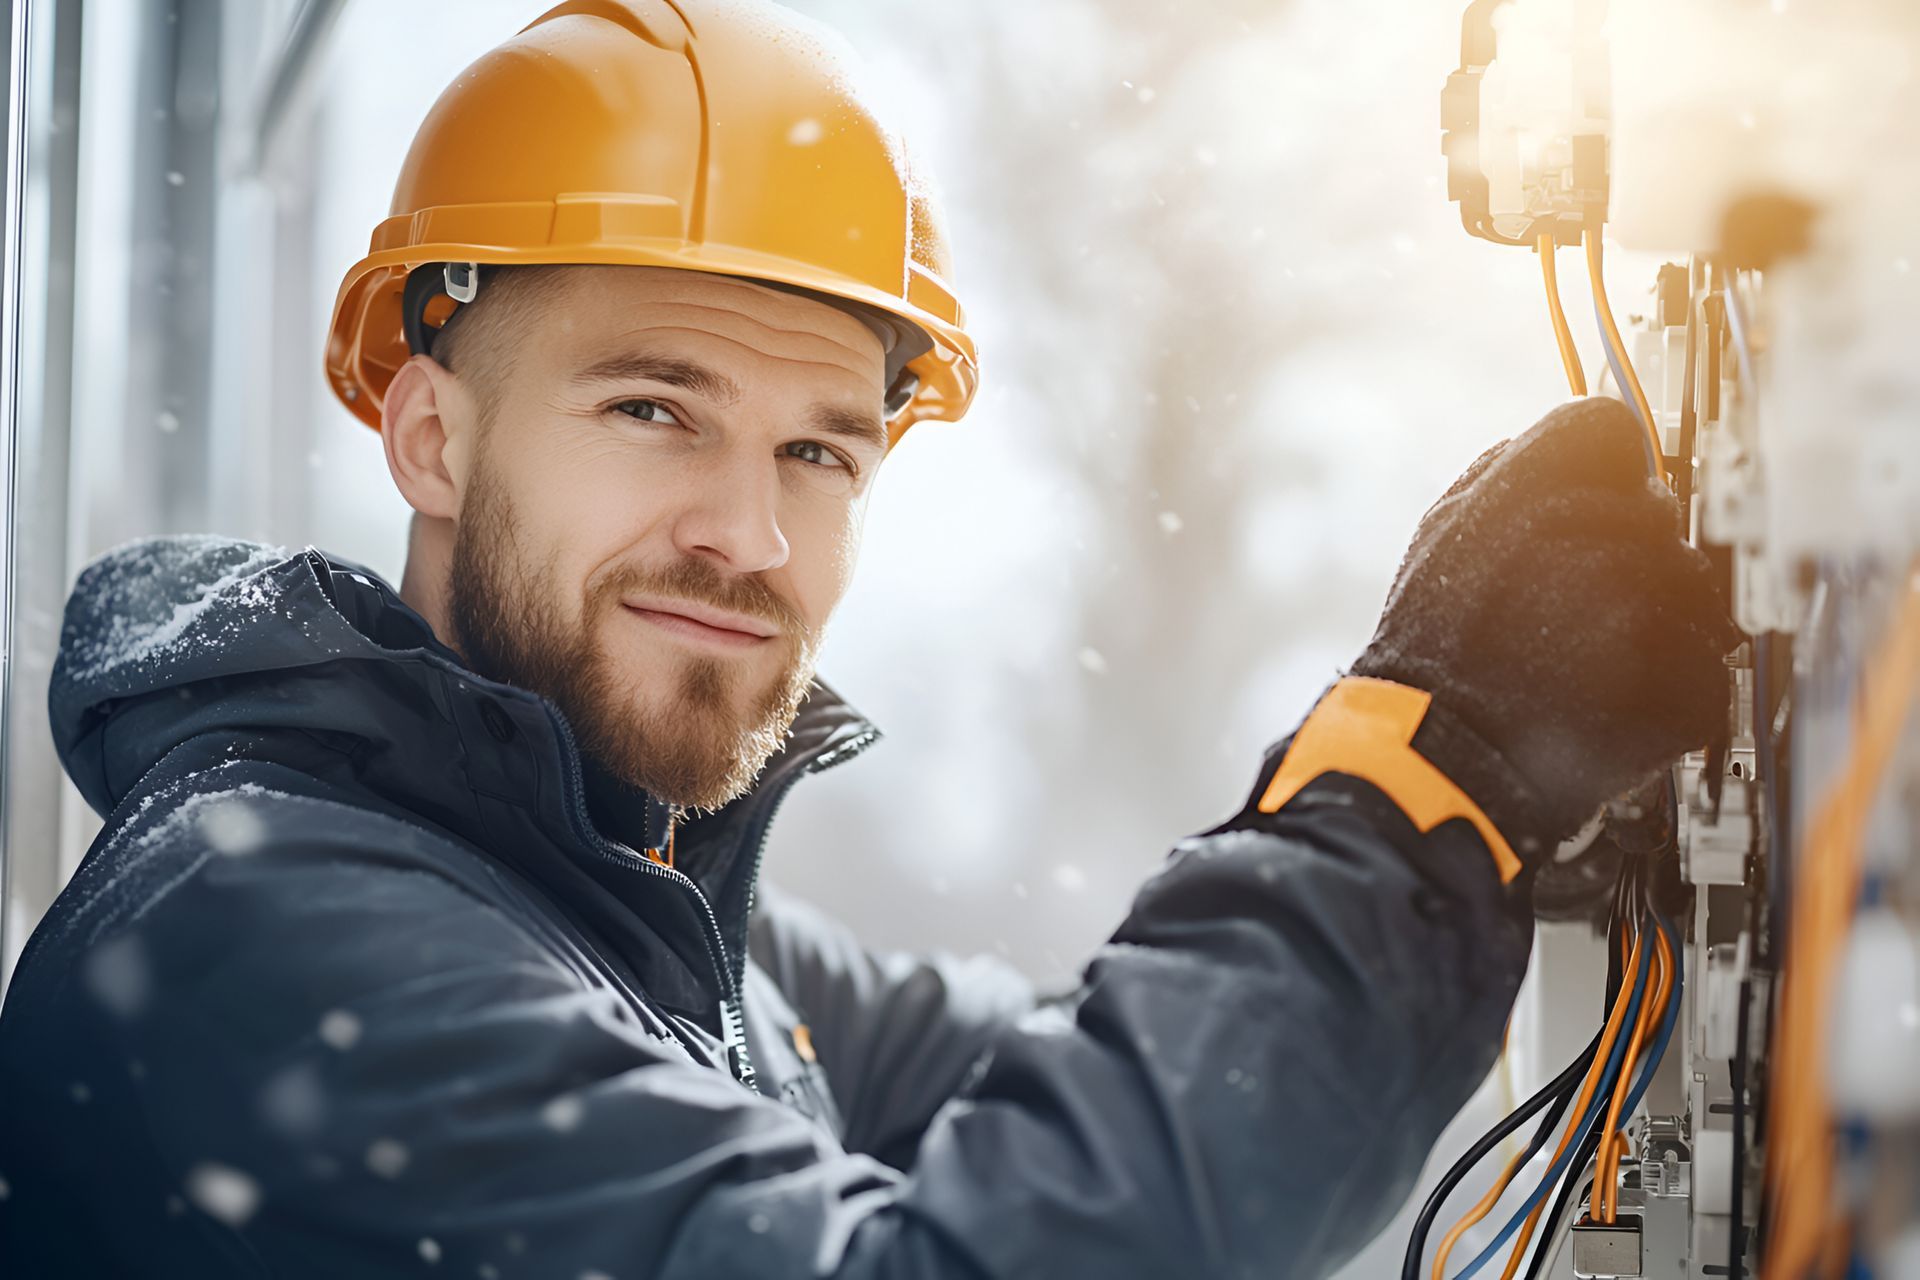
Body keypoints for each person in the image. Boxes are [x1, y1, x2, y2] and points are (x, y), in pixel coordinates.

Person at [0, 2, 1737, 1276]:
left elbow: (1100, 1100)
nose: (749, 538)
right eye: (655, 408)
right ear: (431, 434)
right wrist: (1421, 779)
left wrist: (1465, 828)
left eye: (819, 451)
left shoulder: (672, 943)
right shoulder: (267, 946)